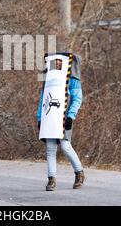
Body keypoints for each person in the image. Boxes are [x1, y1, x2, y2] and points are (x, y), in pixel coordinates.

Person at [37, 56, 85, 191]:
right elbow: (43, 100)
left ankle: (79, 173)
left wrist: (71, 116)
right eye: (55, 60)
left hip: (64, 118)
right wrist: (40, 118)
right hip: (49, 118)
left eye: (60, 60)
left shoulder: (73, 79)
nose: (57, 62)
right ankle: (51, 180)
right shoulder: (48, 80)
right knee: (50, 149)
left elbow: (77, 98)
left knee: (65, 146)